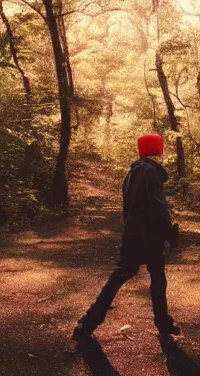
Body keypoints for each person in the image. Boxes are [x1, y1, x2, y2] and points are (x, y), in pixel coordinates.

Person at [73, 133, 181, 344]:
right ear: (157, 149)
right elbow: (158, 208)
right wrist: (170, 233)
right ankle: (88, 323)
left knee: (152, 277)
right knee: (134, 276)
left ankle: (163, 323)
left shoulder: (133, 172)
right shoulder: (149, 172)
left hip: (136, 233)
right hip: (148, 236)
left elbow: (129, 208)